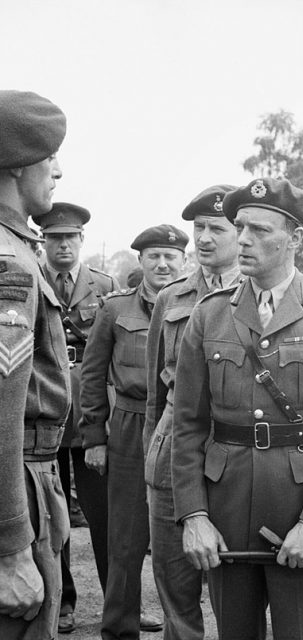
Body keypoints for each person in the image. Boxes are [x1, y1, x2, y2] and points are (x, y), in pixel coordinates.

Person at [171, 177, 303, 640]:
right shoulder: (209, 314)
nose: (243, 239)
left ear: (296, 239)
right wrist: (194, 516)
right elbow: (186, 426)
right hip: (225, 513)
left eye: (260, 230)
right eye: (240, 227)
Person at [80, 225, 188, 639]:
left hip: (181, 424)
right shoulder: (114, 309)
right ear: (140, 262)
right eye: (153, 257)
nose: (162, 264)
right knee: (125, 537)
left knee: (186, 530)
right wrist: (94, 438)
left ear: (183, 261)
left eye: (170, 257)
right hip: (128, 425)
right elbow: (91, 376)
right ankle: (119, 628)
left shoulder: (199, 304)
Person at [144, 185, 241, 639]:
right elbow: (153, 391)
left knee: (236, 584)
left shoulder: (258, 296)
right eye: (198, 228)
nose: (203, 238)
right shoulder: (171, 298)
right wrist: (153, 455)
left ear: (239, 234)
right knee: (175, 582)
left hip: (234, 450)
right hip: (172, 447)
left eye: (215, 228)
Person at [0, 90, 72, 639]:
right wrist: (11, 546)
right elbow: (2, 409)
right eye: (50, 162)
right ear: (21, 167)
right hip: (16, 473)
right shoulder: (10, 262)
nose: (56, 174)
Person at [36, 202, 118, 633]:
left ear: (81, 240)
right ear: (42, 242)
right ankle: (63, 600)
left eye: (69, 237)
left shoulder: (104, 285)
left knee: (103, 512)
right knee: (53, 514)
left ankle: (117, 600)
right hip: (45, 408)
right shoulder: (29, 279)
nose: (62, 245)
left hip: (90, 412)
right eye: (53, 238)